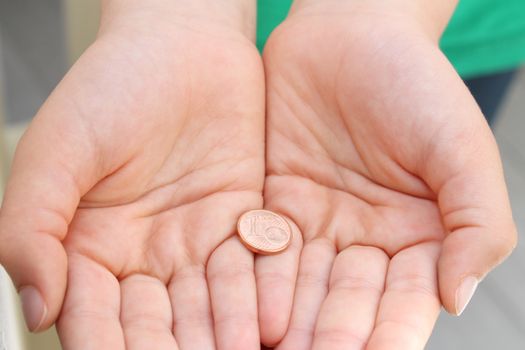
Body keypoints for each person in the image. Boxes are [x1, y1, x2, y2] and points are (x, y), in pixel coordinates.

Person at [0, 0, 518, 349]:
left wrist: (374, 16)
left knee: (422, 215)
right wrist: (173, 21)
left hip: (440, 42)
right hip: (154, 27)